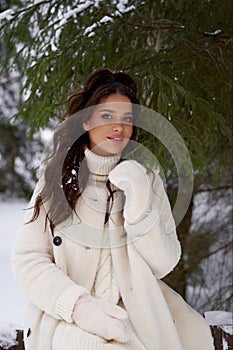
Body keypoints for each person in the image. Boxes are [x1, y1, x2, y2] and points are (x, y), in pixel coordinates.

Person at [11, 68, 214, 350]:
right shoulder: (55, 179)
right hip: (69, 319)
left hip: (137, 316)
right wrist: (80, 306)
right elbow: (28, 259)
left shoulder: (147, 177)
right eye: (107, 116)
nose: (118, 127)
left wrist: (139, 206)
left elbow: (164, 263)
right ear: (85, 122)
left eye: (127, 119)